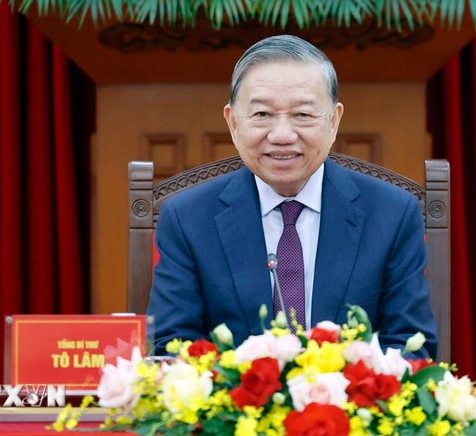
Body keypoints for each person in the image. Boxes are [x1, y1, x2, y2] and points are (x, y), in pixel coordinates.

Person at [147, 35, 438, 359]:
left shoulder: (392, 214)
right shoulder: (187, 219)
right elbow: (171, 347)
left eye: (302, 115)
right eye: (262, 114)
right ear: (233, 123)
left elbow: (411, 346)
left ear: (334, 121)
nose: (282, 135)